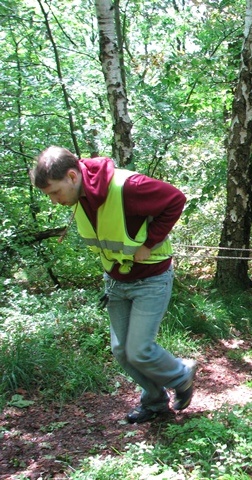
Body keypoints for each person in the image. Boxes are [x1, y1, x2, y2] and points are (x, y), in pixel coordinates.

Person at [31, 146, 197, 424]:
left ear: (72, 176)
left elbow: (175, 199)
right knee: (122, 352)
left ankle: (181, 373)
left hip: (151, 279)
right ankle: (155, 402)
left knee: (139, 350)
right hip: (116, 281)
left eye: (54, 192)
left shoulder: (128, 186)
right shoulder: (80, 196)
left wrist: (149, 243)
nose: (54, 200)